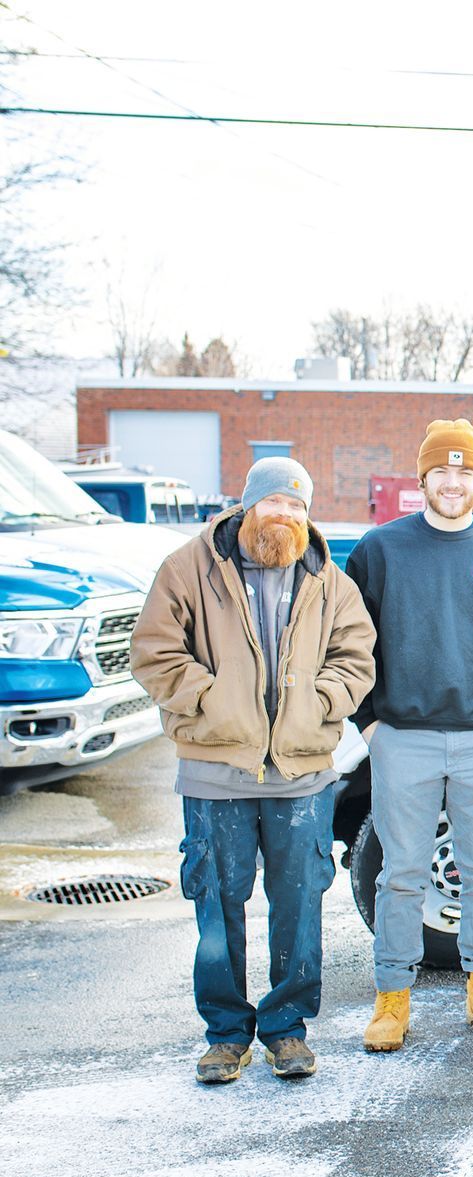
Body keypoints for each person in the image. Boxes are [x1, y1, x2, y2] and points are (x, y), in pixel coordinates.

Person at [131, 457, 375, 1083]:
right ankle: (225, 1033)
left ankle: (287, 1030)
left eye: (297, 506)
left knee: (298, 902)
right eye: (274, 503)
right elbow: (154, 651)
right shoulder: (188, 568)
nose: (286, 515)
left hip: (301, 773)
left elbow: (357, 656)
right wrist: (210, 700)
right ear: (247, 505)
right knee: (217, 903)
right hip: (216, 768)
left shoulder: (328, 579)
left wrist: (322, 703)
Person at [346, 419, 473, 1052]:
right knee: (401, 872)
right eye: (441, 471)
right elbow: (351, 643)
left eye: (466, 472)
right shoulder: (381, 550)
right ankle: (392, 999)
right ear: (422, 476)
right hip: (405, 737)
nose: (453, 483)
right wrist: (369, 721)